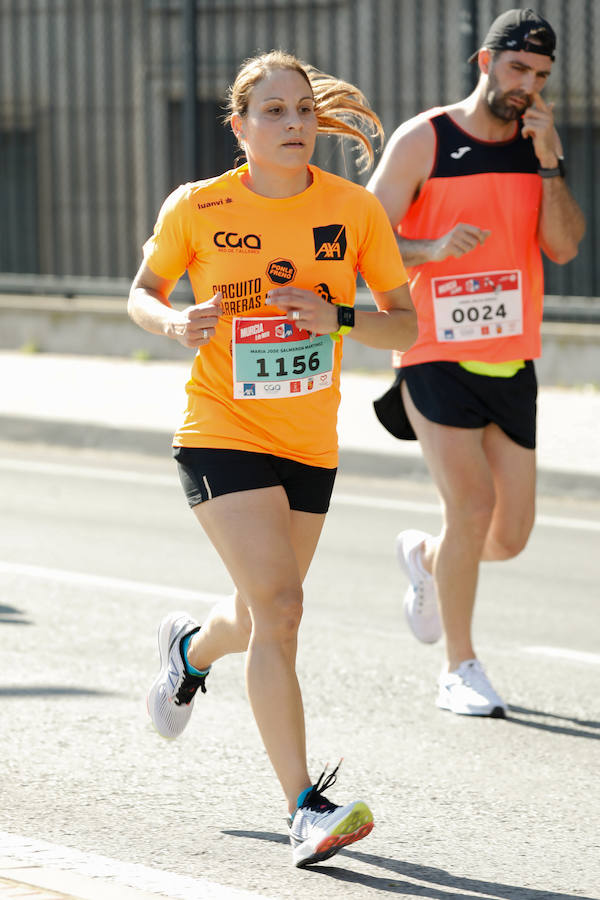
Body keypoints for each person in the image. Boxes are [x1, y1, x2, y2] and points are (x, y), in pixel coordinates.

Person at [128, 50, 416, 867]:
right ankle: (305, 807)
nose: (295, 125)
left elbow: (407, 325)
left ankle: (188, 653)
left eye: (303, 112)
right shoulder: (200, 206)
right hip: (220, 426)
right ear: (240, 127)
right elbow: (142, 291)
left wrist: (339, 314)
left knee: (258, 614)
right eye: (275, 112)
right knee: (283, 607)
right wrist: (174, 323)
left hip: (308, 440)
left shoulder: (353, 210)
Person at [367, 9, 585, 718]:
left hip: (510, 355)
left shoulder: (535, 146)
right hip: (433, 348)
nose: (528, 85)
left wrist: (551, 161)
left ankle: (430, 561)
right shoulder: (424, 139)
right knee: (472, 504)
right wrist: (429, 252)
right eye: (518, 69)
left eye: (542, 75)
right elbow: (359, 237)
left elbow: (564, 246)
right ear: (484, 64)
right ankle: (459, 667)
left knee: (509, 536)